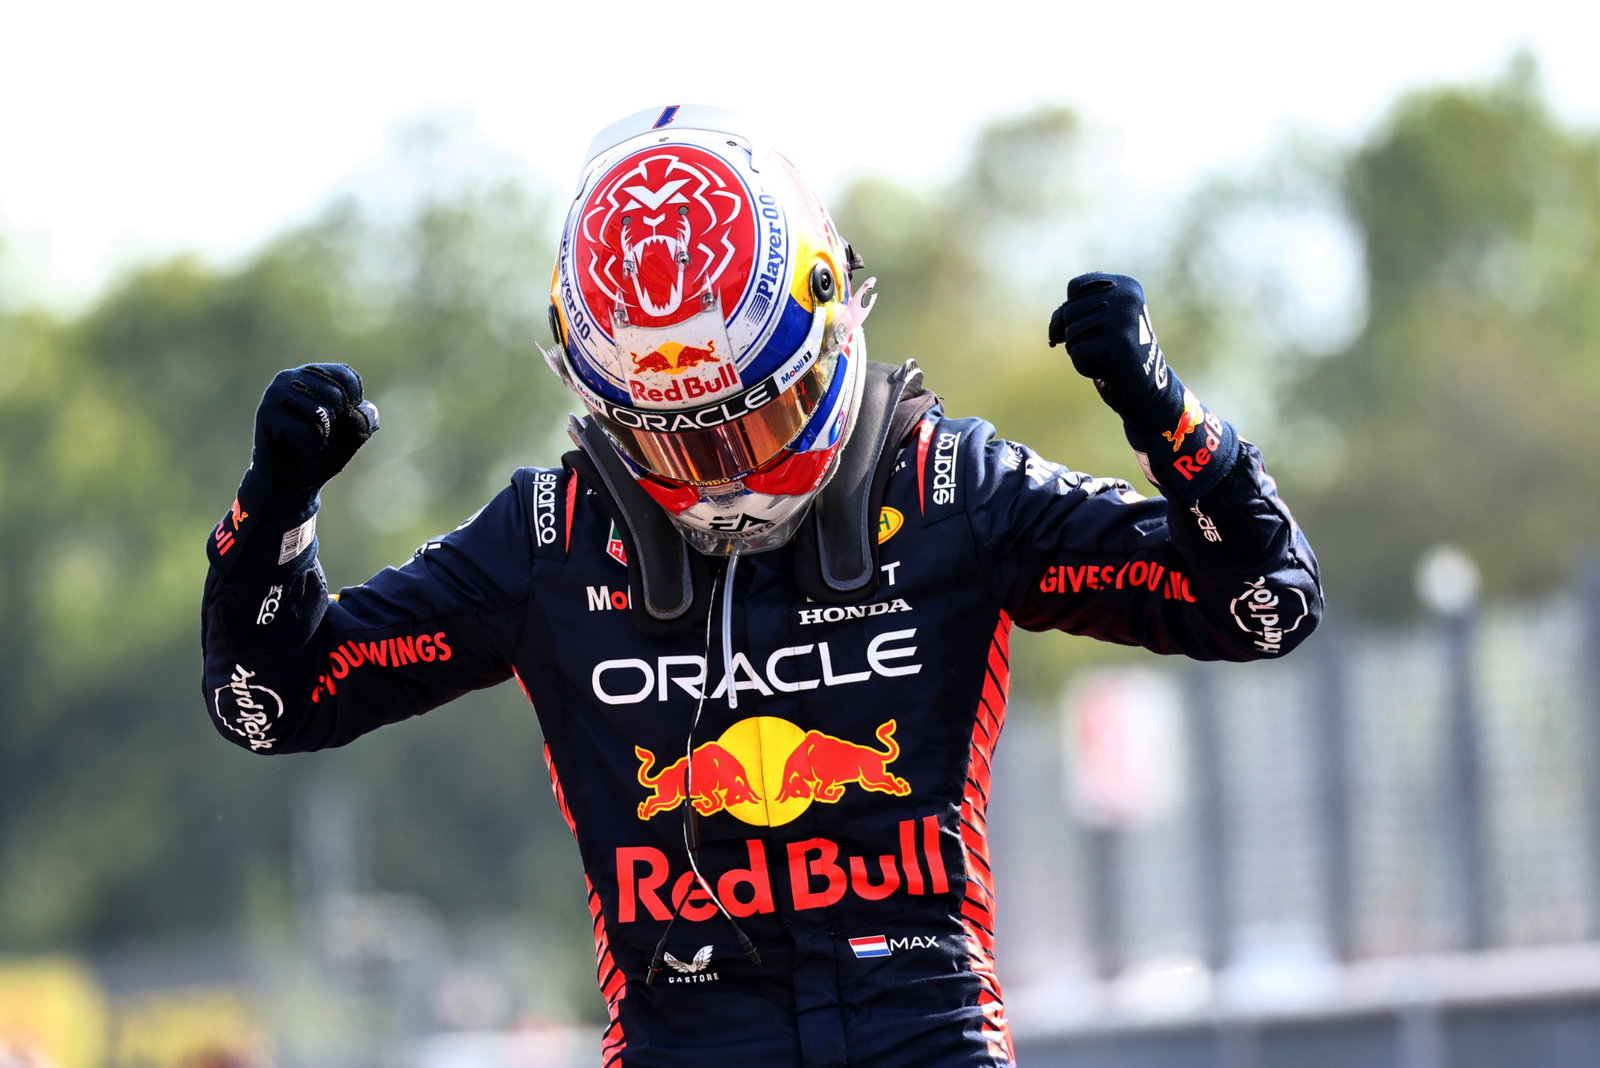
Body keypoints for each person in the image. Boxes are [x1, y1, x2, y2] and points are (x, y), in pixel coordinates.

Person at [201, 104, 1322, 1067]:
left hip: (923, 1029)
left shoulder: (949, 486)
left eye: (755, 419)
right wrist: (272, 514)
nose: (727, 473)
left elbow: (1262, 603)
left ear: (829, 323)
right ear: (603, 408)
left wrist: (1169, 420)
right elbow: (274, 701)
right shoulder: (549, 538)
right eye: (682, 444)